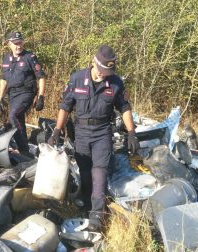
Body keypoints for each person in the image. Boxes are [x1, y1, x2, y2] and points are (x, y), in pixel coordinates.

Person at [48, 45, 139, 231]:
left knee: (100, 172)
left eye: (108, 71)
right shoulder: (77, 79)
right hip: (81, 132)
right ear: (93, 62)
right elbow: (65, 106)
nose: (105, 74)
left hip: (102, 132)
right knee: (85, 171)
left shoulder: (115, 83)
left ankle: (97, 217)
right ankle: (87, 203)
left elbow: (124, 108)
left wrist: (131, 133)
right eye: (102, 70)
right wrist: (57, 131)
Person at [0, 31, 46, 154]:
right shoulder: (6, 59)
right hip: (12, 94)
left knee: (13, 115)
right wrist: (1, 97)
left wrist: (41, 96)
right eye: (16, 43)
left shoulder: (29, 57)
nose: (19, 45)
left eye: (21, 42)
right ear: (9, 44)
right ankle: (24, 152)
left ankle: (23, 147)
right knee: (18, 119)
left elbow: (41, 77)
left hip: (26, 92)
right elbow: (3, 79)